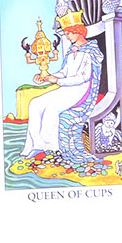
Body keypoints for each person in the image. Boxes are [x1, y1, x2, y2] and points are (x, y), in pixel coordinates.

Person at [21, 12, 103, 163]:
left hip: (81, 90)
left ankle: (51, 147)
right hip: (67, 88)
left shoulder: (91, 52)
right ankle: (36, 145)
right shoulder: (72, 51)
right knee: (35, 103)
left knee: (52, 108)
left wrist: (58, 80)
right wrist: (47, 77)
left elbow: (84, 77)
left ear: (79, 31)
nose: (68, 36)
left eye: (70, 32)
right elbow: (64, 72)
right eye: (66, 33)